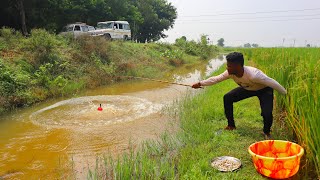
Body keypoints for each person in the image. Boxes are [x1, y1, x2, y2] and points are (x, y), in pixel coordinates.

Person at [192, 52, 287, 139]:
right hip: (248, 88)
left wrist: (285, 94)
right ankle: (231, 125)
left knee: (266, 113)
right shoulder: (229, 73)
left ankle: (266, 132)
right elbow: (216, 79)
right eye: (227, 65)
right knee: (227, 97)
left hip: (264, 90)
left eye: (229, 66)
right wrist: (200, 83)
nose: (227, 68)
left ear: (238, 66)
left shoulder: (254, 75)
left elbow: (274, 83)